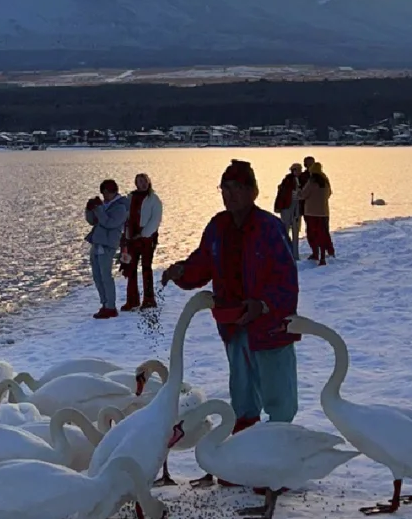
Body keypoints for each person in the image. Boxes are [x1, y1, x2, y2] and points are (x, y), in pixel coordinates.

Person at [161, 160, 299, 432]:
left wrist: (262, 305)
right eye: (224, 188)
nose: (229, 194)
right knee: (243, 397)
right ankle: (244, 456)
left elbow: (286, 279)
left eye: (237, 188)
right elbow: (202, 264)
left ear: (253, 191)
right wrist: (182, 272)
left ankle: (276, 459)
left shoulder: (270, 228)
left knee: (280, 402)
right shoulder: (218, 226)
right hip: (233, 326)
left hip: (270, 328)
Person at [84, 179, 129, 320]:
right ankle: (104, 304)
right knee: (97, 276)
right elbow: (93, 221)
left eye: (106, 194)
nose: (104, 197)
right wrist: (89, 209)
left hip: (108, 245)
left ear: (112, 192)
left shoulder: (121, 207)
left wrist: (99, 209)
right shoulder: (105, 204)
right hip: (97, 243)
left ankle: (110, 306)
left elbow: (109, 223)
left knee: (106, 277)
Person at [120, 173, 164, 310]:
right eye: (140, 181)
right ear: (136, 184)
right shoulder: (130, 198)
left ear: (149, 182)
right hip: (131, 238)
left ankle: (149, 300)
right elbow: (125, 217)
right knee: (131, 269)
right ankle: (132, 300)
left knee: (146, 268)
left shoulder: (154, 199)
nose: (143, 183)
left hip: (147, 239)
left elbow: (156, 220)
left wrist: (143, 234)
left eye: (145, 181)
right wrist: (126, 235)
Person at [298, 160, 334, 264]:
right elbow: (329, 193)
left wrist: (298, 194)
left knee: (312, 234)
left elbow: (304, 194)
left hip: (311, 212)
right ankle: (323, 255)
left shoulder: (312, 181)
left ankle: (315, 253)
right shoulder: (325, 180)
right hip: (324, 212)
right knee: (322, 234)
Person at [273, 162, 303, 262]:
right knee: (286, 231)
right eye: (298, 169)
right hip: (288, 208)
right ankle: (288, 254)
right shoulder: (288, 180)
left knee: (294, 231)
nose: (300, 171)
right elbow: (286, 194)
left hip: (295, 209)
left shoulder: (297, 180)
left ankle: (294, 254)